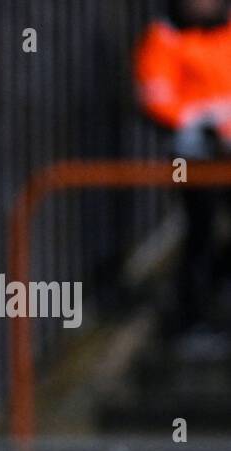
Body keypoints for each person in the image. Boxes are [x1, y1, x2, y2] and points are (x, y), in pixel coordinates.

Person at [134, 0, 231, 357]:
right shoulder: (166, 37)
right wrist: (201, 124)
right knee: (200, 233)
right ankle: (191, 321)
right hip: (195, 157)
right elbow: (156, 98)